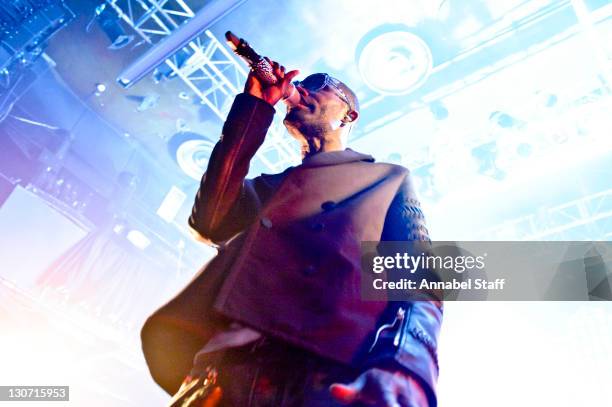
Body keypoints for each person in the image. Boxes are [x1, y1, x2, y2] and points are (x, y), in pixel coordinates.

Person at [141, 58, 443, 406]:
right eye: (305, 85)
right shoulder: (270, 188)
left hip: (321, 380)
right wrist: (255, 107)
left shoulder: (388, 179)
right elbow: (209, 222)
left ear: (349, 115)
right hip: (217, 376)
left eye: (322, 85)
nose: (305, 92)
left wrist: (406, 369)